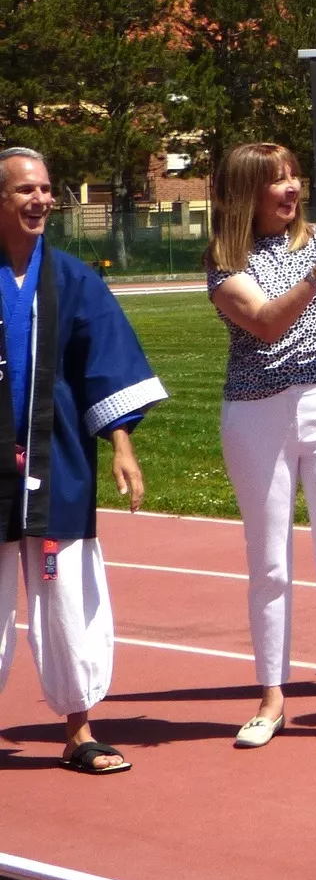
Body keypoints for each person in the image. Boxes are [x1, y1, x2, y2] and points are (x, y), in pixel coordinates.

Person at [206, 142, 316, 748]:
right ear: (246, 192)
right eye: (276, 180)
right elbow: (266, 322)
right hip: (256, 414)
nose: (291, 189)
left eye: (293, 177)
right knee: (270, 563)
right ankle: (271, 699)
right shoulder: (224, 259)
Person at [0, 148, 166, 774]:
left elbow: (106, 361)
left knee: (68, 592)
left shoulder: (72, 278)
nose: (41, 200)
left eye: (46, 189)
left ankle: (79, 731)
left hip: (56, 458)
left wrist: (122, 444)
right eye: (26, 190)